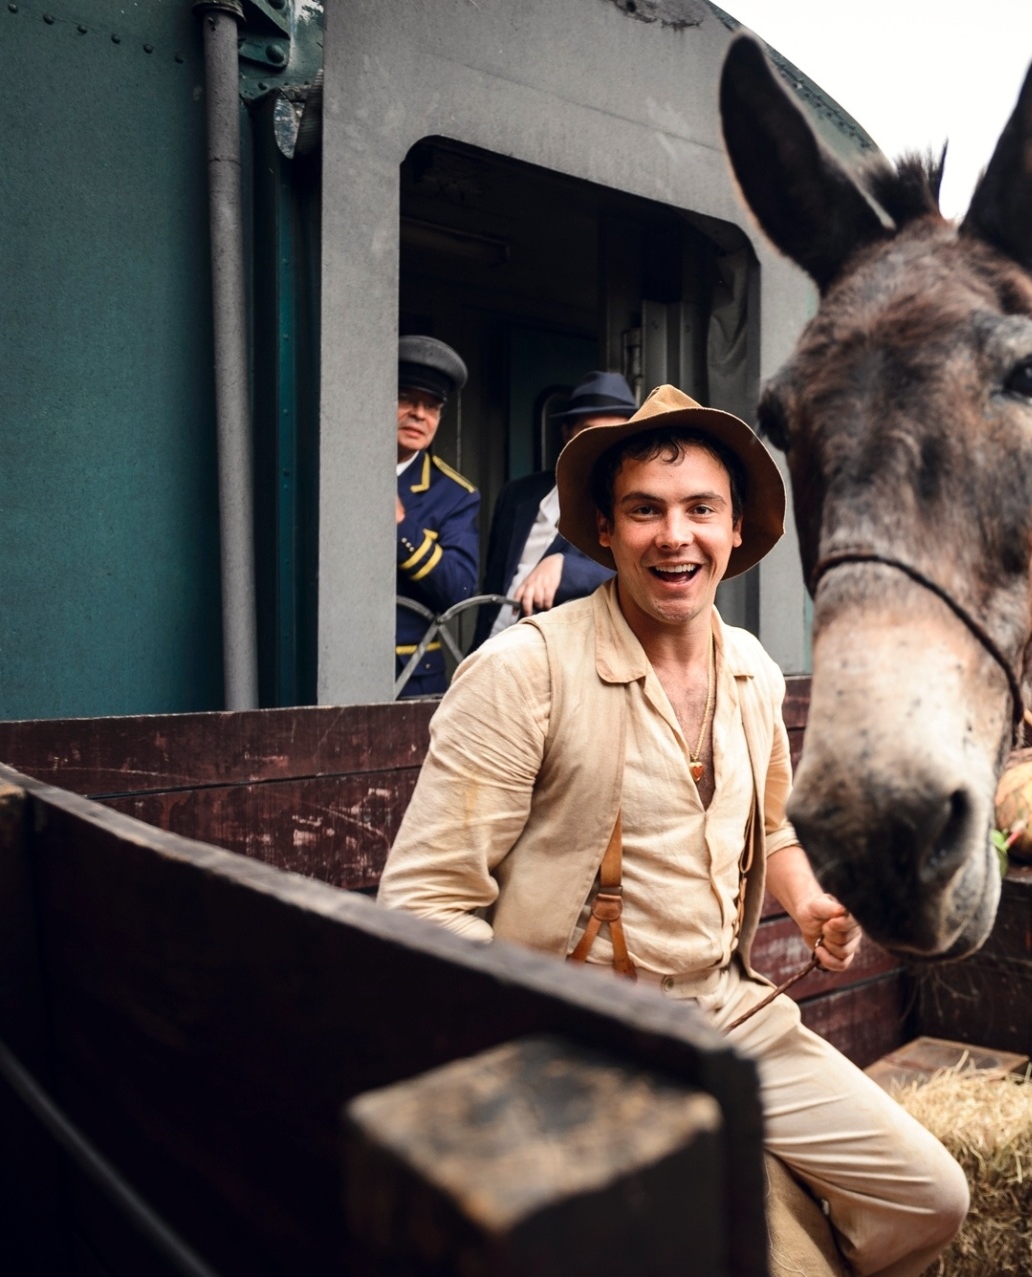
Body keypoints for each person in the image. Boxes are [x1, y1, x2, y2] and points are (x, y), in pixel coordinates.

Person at [377, 385, 968, 1276]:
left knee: (929, 1197)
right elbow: (424, 904)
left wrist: (808, 903)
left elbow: (770, 827)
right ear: (606, 533)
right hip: (580, 1042)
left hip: (733, 1014)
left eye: (701, 509)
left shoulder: (755, 674)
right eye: (644, 510)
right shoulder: (522, 673)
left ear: (737, 533)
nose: (674, 534)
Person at [470, 370, 628, 650]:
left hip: (567, 661)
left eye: (613, 434)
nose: (600, 444)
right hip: (490, 652)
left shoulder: (635, 502)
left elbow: (643, 571)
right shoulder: (517, 494)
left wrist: (565, 568)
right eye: (588, 432)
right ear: (566, 433)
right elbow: (494, 581)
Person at [394, 336, 480, 698]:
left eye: (432, 406)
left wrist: (402, 527)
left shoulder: (455, 495)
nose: (419, 414)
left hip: (410, 676)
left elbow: (458, 589)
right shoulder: (333, 468)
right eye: (406, 399)